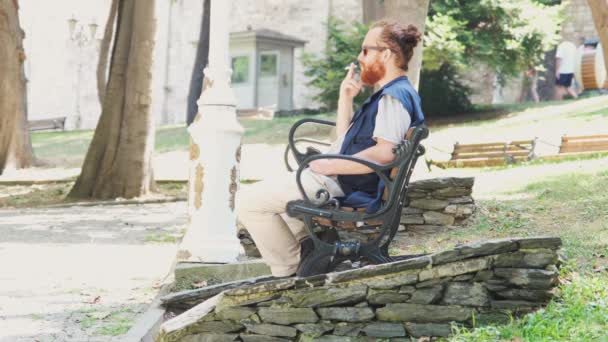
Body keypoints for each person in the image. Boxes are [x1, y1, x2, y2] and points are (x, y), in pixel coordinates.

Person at [237, 20, 425, 278]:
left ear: (386, 54)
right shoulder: (393, 94)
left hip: (343, 186)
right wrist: (345, 98)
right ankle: (312, 249)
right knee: (268, 197)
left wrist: (330, 165)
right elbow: (346, 141)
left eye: (366, 50)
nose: (360, 58)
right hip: (343, 181)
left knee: (247, 201)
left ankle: (289, 268)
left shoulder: (392, 99)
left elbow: (384, 153)